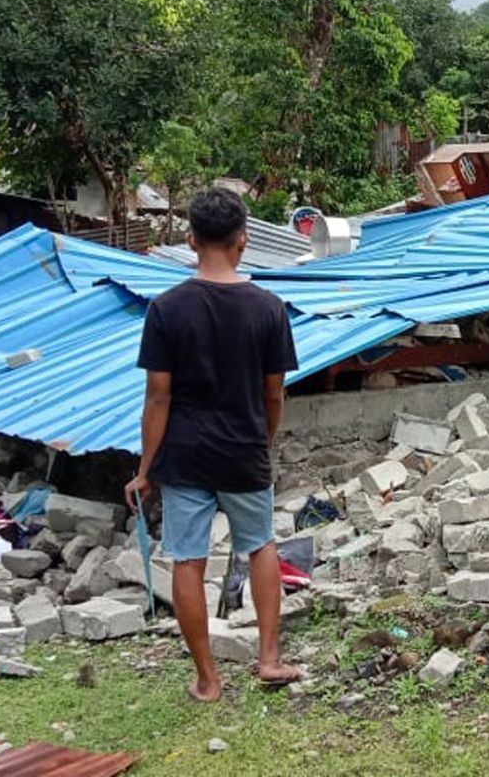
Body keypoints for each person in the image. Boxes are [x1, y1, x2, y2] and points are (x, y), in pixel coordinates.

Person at [125, 187, 300, 701]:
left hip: (185, 456)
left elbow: (158, 399)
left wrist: (145, 469)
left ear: (190, 240)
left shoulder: (166, 309)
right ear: (243, 239)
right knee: (260, 544)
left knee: (188, 560)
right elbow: (274, 393)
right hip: (244, 450)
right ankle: (268, 659)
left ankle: (207, 678)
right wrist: (261, 442)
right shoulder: (269, 308)